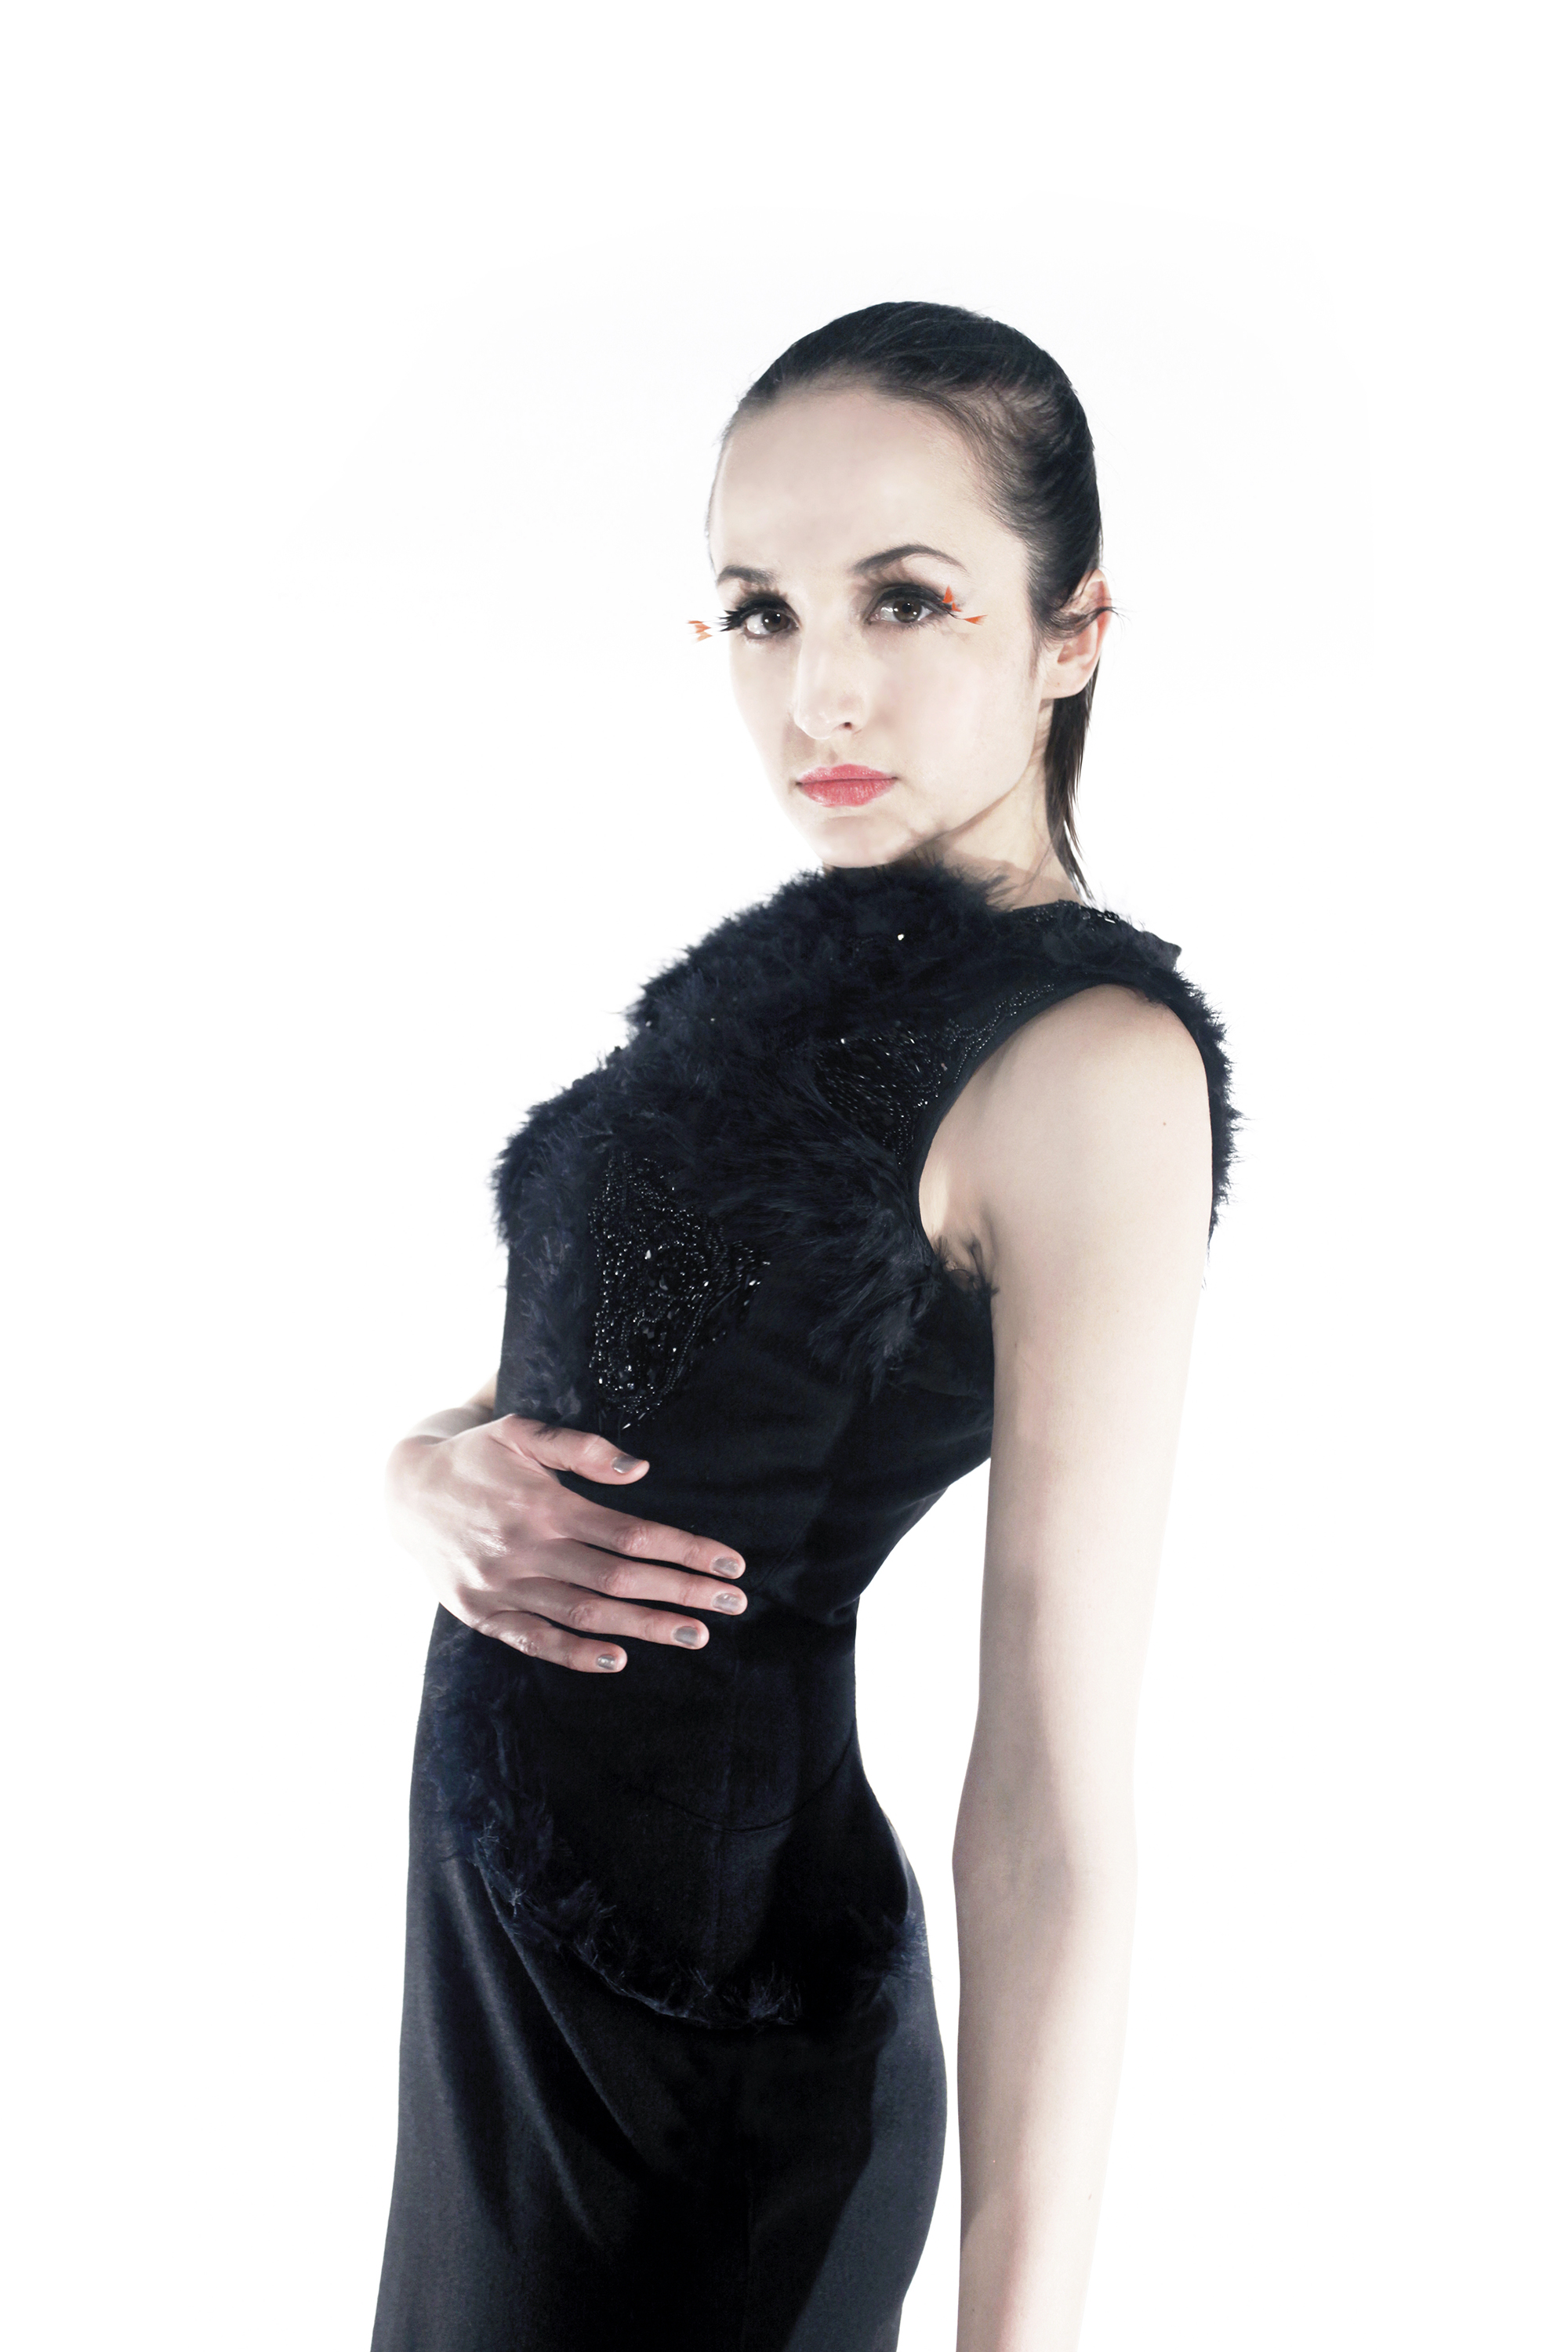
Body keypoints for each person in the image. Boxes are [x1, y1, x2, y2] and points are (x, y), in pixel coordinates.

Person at [370, 300, 1236, 2352]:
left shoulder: (1090, 1060)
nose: (817, 688)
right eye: (760, 611)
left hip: (709, 2061)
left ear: (1074, 631)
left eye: (906, 599)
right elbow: (608, 1376)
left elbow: (1052, 1771)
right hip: (506, 2005)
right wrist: (419, 1470)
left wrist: (1016, 2339)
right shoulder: (758, 990)